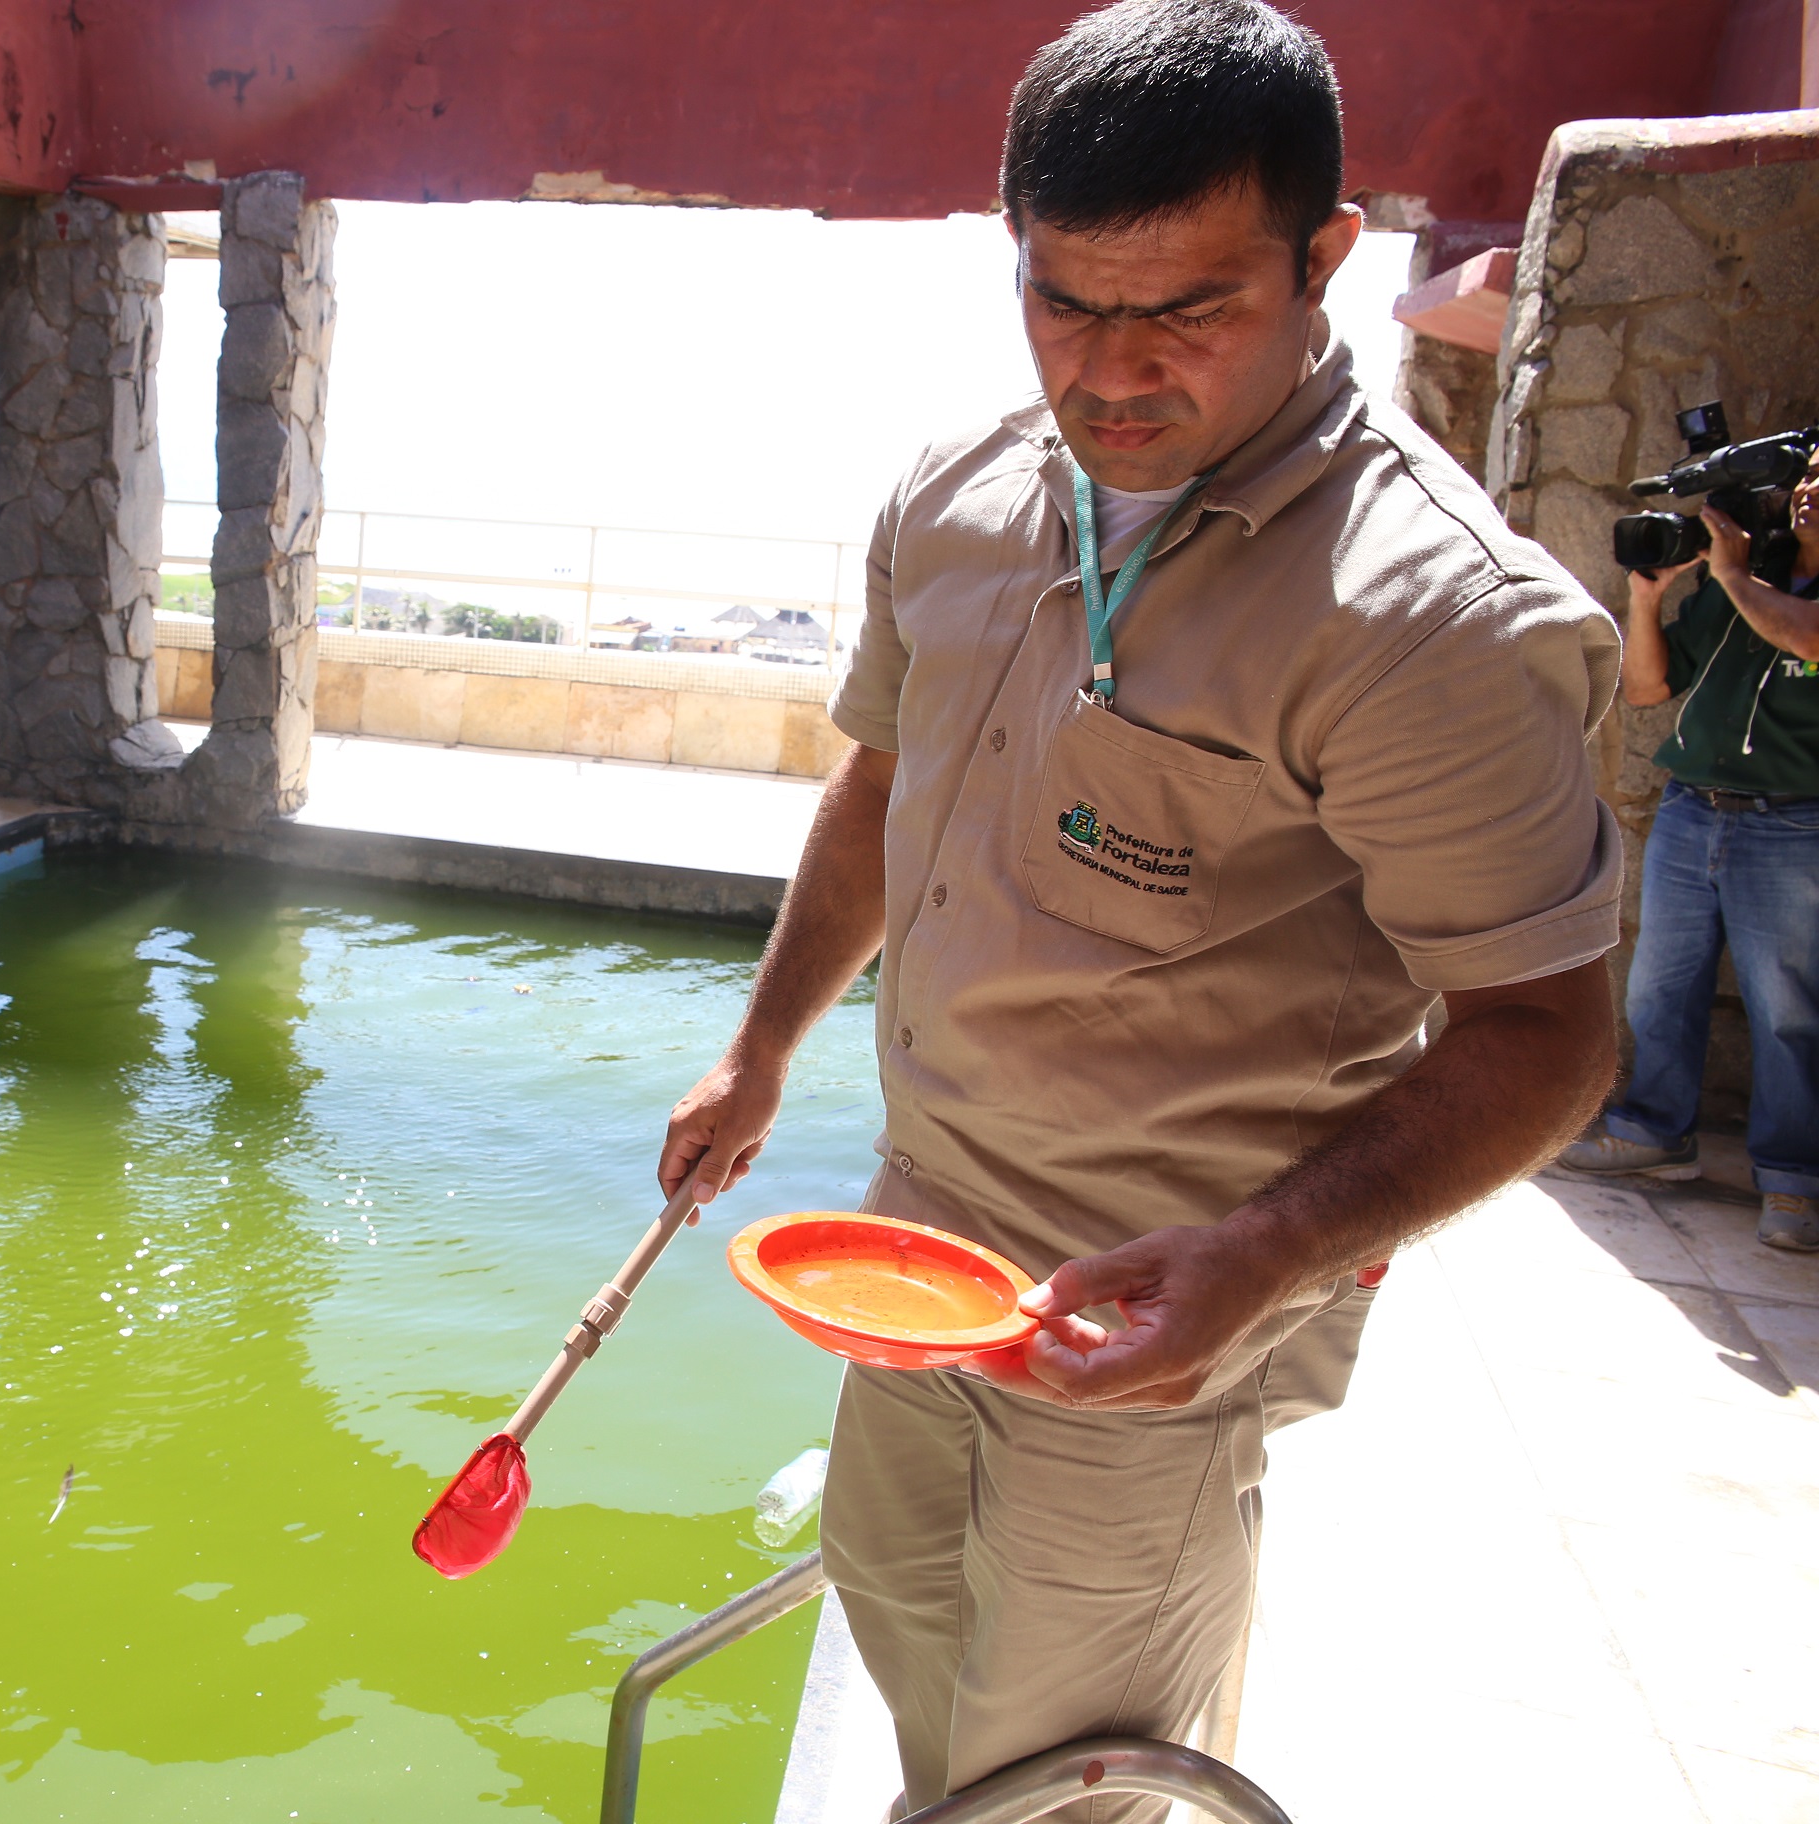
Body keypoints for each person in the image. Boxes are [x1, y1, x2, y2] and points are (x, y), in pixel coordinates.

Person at [658, 2, 1623, 1816]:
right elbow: (879, 784)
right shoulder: (957, 494)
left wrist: (1258, 1257)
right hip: (918, 1234)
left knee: (1070, 1764)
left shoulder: (1429, 617)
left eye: (1187, 306)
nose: (1111, 371)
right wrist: (762, 1042)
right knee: (903, 1625)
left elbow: (1548, 1030)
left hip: (1155, 1311)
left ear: (1325, 257)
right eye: (1062, 299)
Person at [1556, 471, 1819, 1251]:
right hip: (1691, 805)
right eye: (1805, 477)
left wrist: (1731, 572)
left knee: (1788, 1011)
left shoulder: (1755, 585)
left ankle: (1792, 1180)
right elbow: (1645, 688)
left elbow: (1807, 638)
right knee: (1660, 984)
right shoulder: (1749, 583)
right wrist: (1647, 598)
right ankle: (1653, 1132)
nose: (1808, 490)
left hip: (1794, 822)